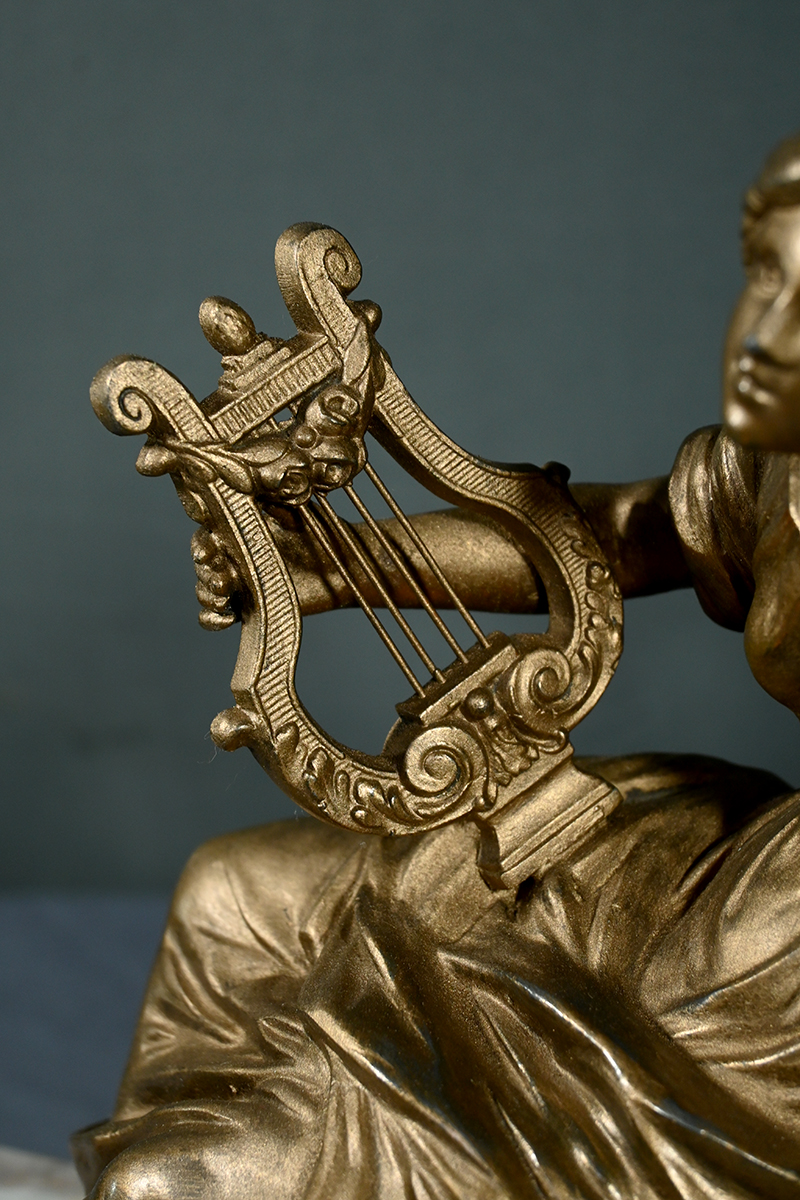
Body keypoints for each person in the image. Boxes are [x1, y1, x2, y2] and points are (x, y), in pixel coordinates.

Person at [73, 137, 800, 1200]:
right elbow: (600, 542)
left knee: (429, 932)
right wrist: (325, 565)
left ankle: (339, 1132)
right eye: (766, 278)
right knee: (229, 890)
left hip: (768, 958)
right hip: (727, 863)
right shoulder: (772, 463)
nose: (769, 336)